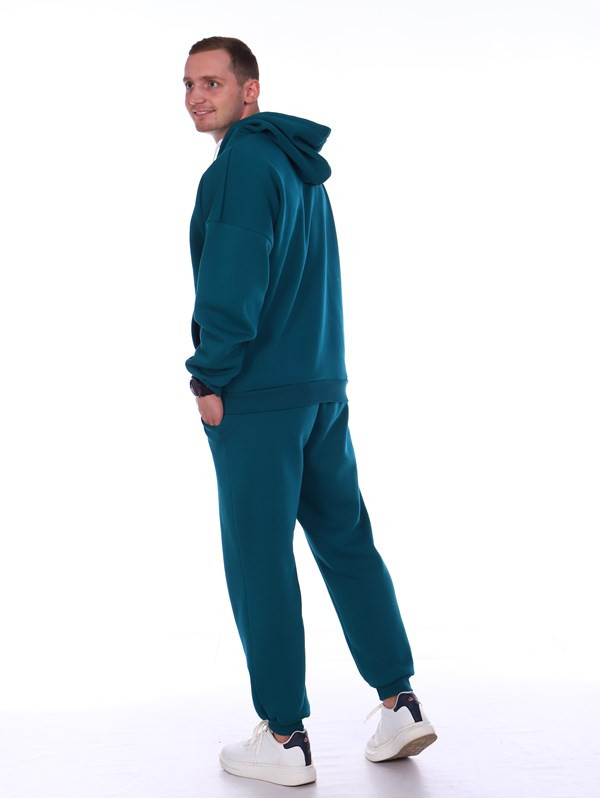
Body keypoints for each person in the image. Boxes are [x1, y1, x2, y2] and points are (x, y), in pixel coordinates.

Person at [183, 36, 437, 787]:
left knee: (258, 558)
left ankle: (285, 737)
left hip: (258, 397)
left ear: (250, 90)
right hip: (321, 389)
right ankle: (400, 703)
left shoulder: (240, 167)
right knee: (346, 542)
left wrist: (208, 378)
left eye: (213, 83)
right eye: (189, 84)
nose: (197, 97)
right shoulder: (298, 169)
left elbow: (233, 283)